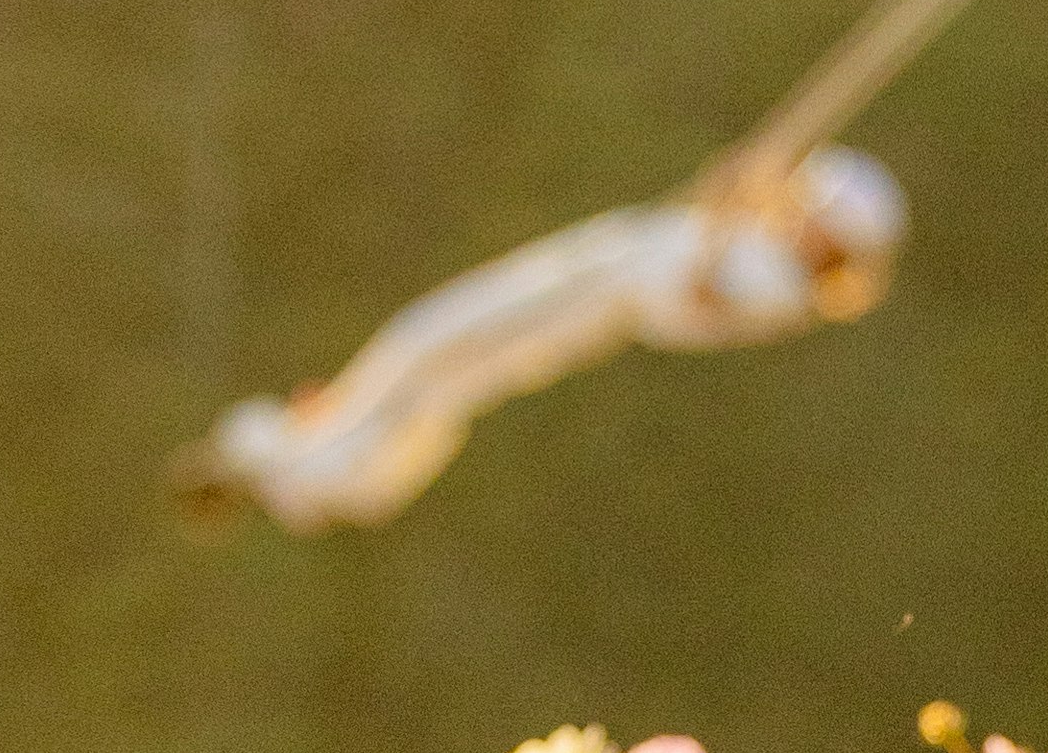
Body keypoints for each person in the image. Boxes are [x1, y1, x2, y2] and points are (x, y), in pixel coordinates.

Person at [181, 147, 906, 533]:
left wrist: (729, 206)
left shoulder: (782, 285)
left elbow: (696, 295)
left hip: (595, 301)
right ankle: (306, 440)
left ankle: (305, 465)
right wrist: (740, 194)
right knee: (422, 351)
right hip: (591, 271)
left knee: (431, 360)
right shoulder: (768, 245)